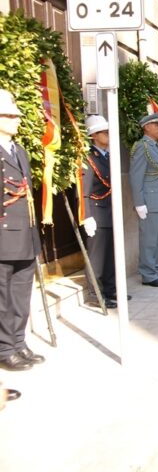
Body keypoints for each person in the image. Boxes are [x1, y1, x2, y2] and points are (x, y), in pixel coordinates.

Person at [0, 89, 45, 372]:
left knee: (20, 294)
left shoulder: (19, 151)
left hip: (25, 234)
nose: (17, 119)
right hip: (4, 235)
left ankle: (18, 341)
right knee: (3, 297)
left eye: (16, 114)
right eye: (10, 115)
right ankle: (5, 348)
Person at [129, 112, 158, 287]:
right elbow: (135, 176)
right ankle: (148, 274)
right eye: (157, 125)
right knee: (148, 239)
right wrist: (139, 202)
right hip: (149, 202)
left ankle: (155, 271)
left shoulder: (156, 146)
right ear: (147, 127)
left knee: (157, 239)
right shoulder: (142, 146)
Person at [82, 115, 119, 308]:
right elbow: (84, 191)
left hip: (110, 211)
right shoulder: (89, 158)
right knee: (97, 257)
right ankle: (96, 294)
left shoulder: (108, 156)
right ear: (94, 135)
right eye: (105, 132)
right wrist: (87, 216)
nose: (109, 135)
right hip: (97, 213)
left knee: (111, 255)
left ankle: (111, 290)